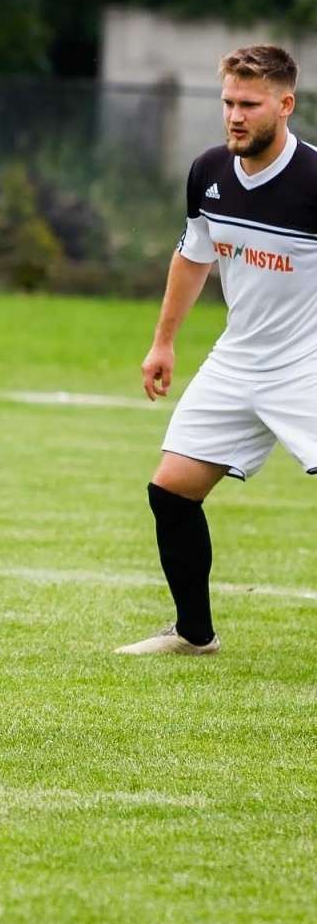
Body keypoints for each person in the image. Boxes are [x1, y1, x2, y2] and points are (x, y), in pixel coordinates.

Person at [118, 45, 317, 656]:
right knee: (171, 491)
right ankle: (193, 635)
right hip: (239, 359)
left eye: (250, 105)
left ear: (285, 105)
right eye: (228, 101)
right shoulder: (208, 172)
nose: (235, 115)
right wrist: (164, 343)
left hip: (308, 365)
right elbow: (193, 255)